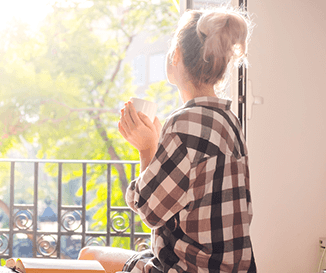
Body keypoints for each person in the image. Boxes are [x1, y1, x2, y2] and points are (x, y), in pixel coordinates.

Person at [78, 6, 256, 273]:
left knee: (88, 255)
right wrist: (162, 144)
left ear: (176, 55)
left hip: (188, 269)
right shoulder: (229, 120)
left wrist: (147, 147)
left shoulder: (184, 123)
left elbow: (150, 212)